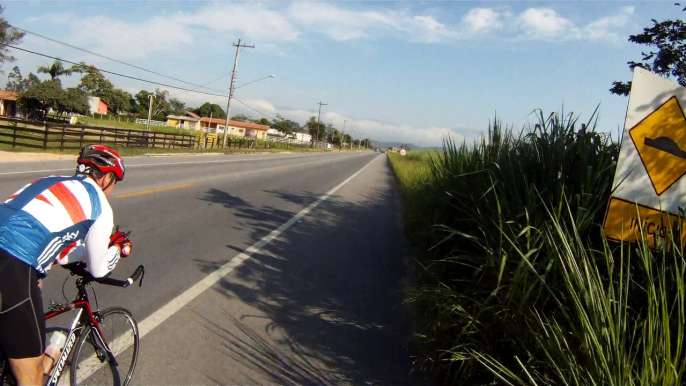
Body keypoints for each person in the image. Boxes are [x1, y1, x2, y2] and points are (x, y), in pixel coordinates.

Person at [0, 144, 132, 385]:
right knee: (31, 374)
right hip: (12, 265)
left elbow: (59, 252)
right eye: (115, 183)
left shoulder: (48, 181)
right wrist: (118, 249)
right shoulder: (100, 206)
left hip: (10, 256)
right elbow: (99, 269)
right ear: (106, 178)